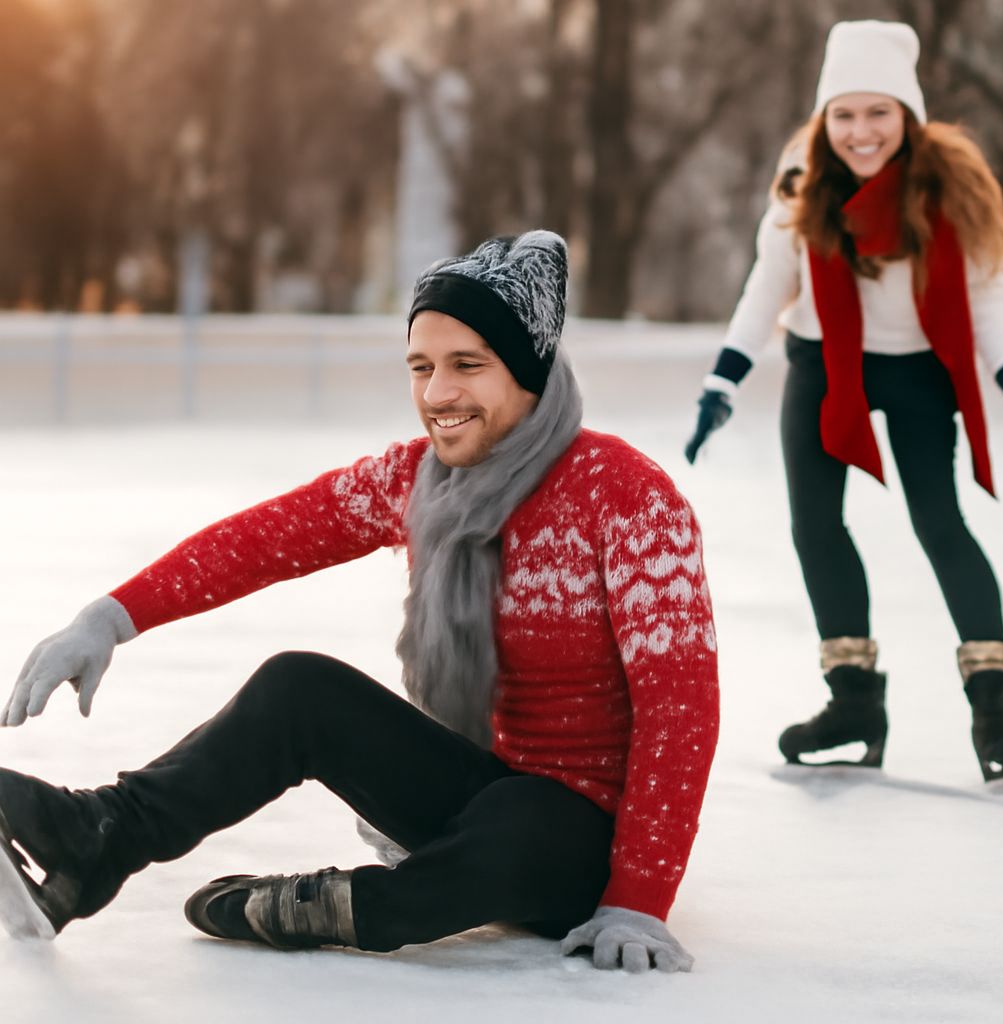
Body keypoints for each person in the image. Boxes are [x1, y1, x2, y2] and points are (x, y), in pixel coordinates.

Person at [0, 231, 719, 973]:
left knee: (521, 819)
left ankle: (333, 904)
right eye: (422, 367)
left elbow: (681, 707)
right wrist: (111, 618)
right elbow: (266, 538)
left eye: (467, 365)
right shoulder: (421, 482)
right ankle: (99, 835)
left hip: (585, 842)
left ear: (528, 372)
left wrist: (638, 898)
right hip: (487, 797)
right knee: (298, 687)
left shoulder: (627, 495)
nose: (438, 393)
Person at [684, 20, 1003, 781]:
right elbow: (766, 286)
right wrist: (723, 377)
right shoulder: (804, 183)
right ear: (824, 118)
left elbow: (989, 298)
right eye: (843, 114)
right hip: (823, 364)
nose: (860, 132)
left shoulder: (950, 188)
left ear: (907, 115)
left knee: (939, 521)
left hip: (917, 370)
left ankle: (997, 706)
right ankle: (854, 702)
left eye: (878, 113)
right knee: (815, 523)